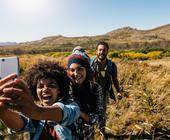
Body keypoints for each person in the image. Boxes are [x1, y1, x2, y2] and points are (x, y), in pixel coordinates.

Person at [0, 60, 80, 140]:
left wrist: (37, 111)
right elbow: (19, 125)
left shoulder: (72, 106)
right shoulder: (31, 110)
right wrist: (2, 109)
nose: (45, 89)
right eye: (41, 86)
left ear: (59, 89)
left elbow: (64, 113)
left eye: (51, 85)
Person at [67, 54, 104, 139]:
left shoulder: (95, 88)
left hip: (87, 134)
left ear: (87, 70)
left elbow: (97, 117)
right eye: (72, 70)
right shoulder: (64, 89)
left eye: (80, 69)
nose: (76, 73)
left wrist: (78, 112)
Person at [90, 41, 122, 134]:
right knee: (90, 111)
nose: (101, 52)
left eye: (104, 50)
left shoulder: (111, 65)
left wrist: (118, 91)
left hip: (104, 92)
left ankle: (101, 132)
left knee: (102, 113)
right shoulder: (91, 63)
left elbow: (115, 79)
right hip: (91, 92)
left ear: (107, 51)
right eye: (100, 50)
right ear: (96, 51)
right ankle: (91, 132)